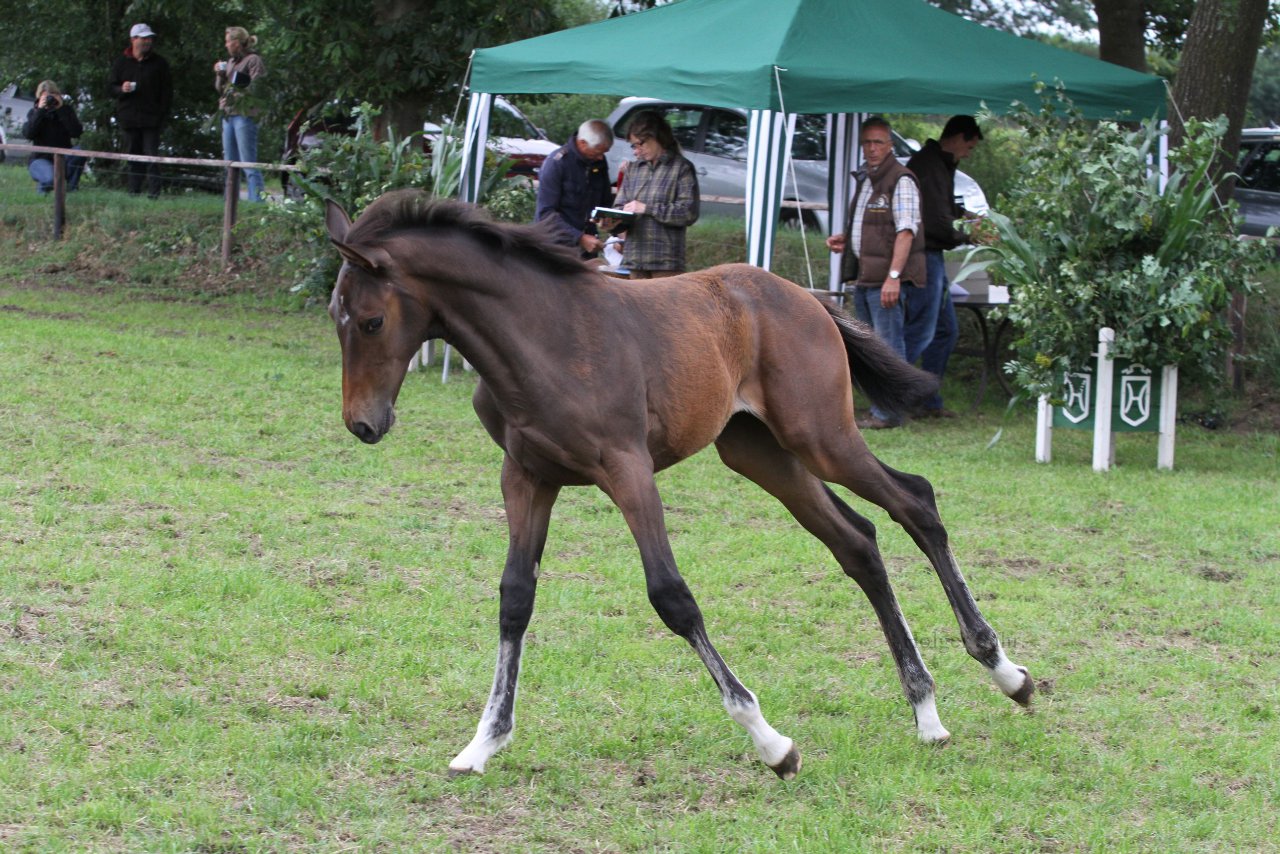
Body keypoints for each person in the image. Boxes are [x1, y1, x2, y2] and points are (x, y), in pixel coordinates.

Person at [825, 116, 925, 429]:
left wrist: (894, 276)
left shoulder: (901, 179)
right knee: (872, 347)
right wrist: (847, 239)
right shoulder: (868, 179)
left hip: (887, 280)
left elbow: (906, 231)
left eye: (878, 142)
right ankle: (881, 409)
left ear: (890, 145)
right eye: (867, 142)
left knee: (889, 346)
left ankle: (890, 412)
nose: (871, 148)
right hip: (866, 276)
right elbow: (873, 227)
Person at [904, 115, 984, 419]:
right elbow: (936, 223)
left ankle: (927, 399)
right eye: (970, 146)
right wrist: (968, 235)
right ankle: (890, 396)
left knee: (945, 330)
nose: (968, 153)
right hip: (923, 257)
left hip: (933, 257)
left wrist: (971, 216)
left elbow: (945, 208)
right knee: (921, 332)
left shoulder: (941, 164)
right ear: (959, 138)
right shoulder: (929, 165)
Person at [611, 110, 700, 278]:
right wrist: (612, 222)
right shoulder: (633, 170)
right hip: (634, 261)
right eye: (633, 145)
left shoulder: (682, 168)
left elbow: (689, 213)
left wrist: (648, 208)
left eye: (640, 144)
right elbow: (619, 207)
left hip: (666, 263)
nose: (636, 151)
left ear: (657, 137)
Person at [109, 22, 173, 198]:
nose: (147, 42)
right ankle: (133, 192)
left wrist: (162, 114)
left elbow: (167, 92)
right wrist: (122, 89)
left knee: (152, 156)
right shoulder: (121, 62)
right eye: (143, 38)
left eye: (149, 39)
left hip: (152, 118)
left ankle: (154, 194)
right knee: (133, 156)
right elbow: (111, 88)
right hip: (129, 117)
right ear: (133, 40)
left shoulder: (159, 63)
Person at [534, 119, 615, 255]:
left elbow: (605, 200)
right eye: (598, 152)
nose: (601, 157)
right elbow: (545, 214)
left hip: (587, 245)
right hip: (555, 245)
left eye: (604, 153)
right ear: (582, 143)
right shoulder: (557, 164)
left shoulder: (598, 162)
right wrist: (579, 237)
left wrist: (609, 218)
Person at [214, 26, 268, 202]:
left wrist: (235, 95)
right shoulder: (230, 62)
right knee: (229, 163)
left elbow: (258, 87)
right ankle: (230, 203)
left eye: (228, 41)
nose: (226, 45)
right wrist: (220, 75)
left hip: (245, 115)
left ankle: (257, 203)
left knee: (248, 163)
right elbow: (220, 89)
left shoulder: (253, 60)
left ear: (236, 43)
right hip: (228, 115)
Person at [22, 81, 85, 194]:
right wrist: (40, 111)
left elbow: (76, 132)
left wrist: (60, 109)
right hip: (40, 159)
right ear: (39, 97)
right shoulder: (34, 112)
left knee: (80, 152)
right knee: (51, 179)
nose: (50, 99)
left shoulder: (66, 110)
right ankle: (43, 190)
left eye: (53, 95)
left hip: (63, 157)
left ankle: (72, 190)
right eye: (47, 96)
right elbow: (28, 134)